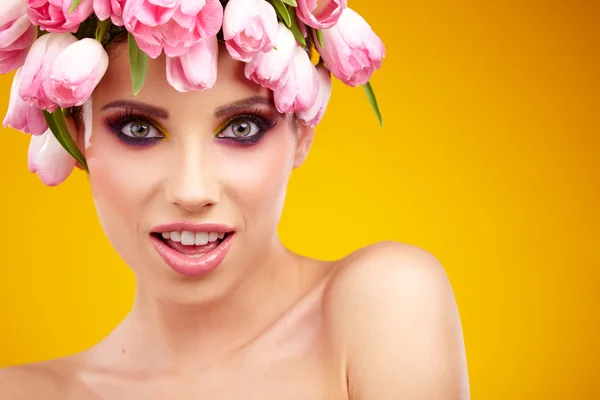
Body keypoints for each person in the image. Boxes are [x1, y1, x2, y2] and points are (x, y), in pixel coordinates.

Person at [0, 0, 470, 398]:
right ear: (76, 139)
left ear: (302, 132)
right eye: (138, 129)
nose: (191, 191)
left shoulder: (385, 303)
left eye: (241, 128)